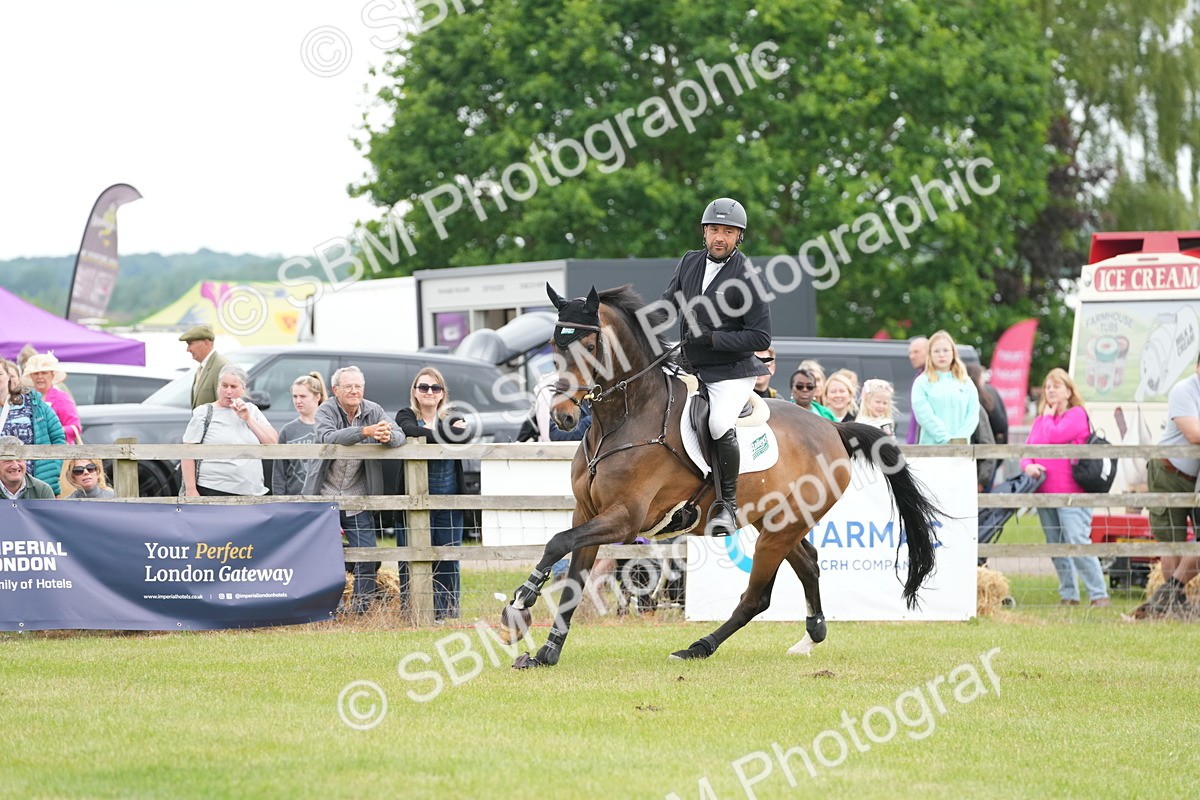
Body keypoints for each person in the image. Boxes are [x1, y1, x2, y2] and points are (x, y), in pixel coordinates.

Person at [660, 197, 771, 536]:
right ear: (704, 232)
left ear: (739, 237)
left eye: (728, 232)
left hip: (730, 372)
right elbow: (668, 304)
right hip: (689, 364)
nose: (719, 237)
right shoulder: (689, 261)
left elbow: (761, 336)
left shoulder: (749, 277)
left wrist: (713, 340)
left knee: (720, 423)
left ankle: (726, 503)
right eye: (714, 230)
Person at [302, 366, 404, 614]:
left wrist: (386, 436)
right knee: (325, 556)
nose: (354, 391)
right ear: (336, 390)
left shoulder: (374, 409)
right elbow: (327, 436)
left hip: (358, 496)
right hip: (325, 495)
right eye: (348, 386)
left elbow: (400, 436)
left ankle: (360, 611)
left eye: (358, 386)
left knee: (367, 555)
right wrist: (365, 432)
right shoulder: (326, 409)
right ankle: (329, 610)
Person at [1020, 368, 1110, 607]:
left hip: (1072, 493)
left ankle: (1098, 594)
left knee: (1077, 541)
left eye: (1056, 386)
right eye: (1048, 386)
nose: (1050, 390)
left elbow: (1056, 436)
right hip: (1044, 492)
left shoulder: (1076, 414)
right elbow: (1027, 450)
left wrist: (1048, 417)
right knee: (1056, 544)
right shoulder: (1039, 421)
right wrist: (1028, 466)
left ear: (1069, 392)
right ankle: (1069, 594)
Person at [395, 367, 470, 620]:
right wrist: (444, 435)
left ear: (442, 394)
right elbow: (408, 429)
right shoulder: (406, 414)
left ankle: (447, 613)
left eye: (435, 388)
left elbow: (462, 437)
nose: (429, 392)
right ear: (415, 392)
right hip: (412, 500)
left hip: (448, 499)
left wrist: (445, 434)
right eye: (423, 387)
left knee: (448, 557)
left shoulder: (452, 415)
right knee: (411, 556)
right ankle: (413, 612)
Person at [1131, 354, 1200, 618]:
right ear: (1197, 366)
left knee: (1189, 542)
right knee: (1173, 540)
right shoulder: (1184, 390)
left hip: (1193, 480)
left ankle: (1170, 598)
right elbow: (1194, 435)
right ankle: (1172, 604)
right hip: (1168, 472)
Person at [181, 365, 278, 497]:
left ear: (243, 389)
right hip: (213, 490)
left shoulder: (252, 410)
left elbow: (273, 443)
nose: (228, 391)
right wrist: (191, 489)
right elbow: (187, 452)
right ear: (218, 387)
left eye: (233, 387)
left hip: (251, 492)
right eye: (224, 386)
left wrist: (248, 418)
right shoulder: (204, 412)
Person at [1, 355, 66, 494]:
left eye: (0, 373)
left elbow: (58, 437)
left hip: (39, 483)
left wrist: (51, 469)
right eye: (36, 373)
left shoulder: (33, 403)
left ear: (8, 377)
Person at [910, 330, 980, 444]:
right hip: (931, 451)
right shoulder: (921, 382)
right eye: (936, 351)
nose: (941, 354)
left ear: (953, 352)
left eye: (946, 350)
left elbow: (973, 415)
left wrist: (959, 440)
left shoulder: (966, 382)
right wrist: (946, 440)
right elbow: (924, 415)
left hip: (962, 452)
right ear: (930, 354)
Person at [273, 372, 326, 496]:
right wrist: (279, 500)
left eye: (303, 396)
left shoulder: (328, 428)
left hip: (322, 502)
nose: (298, 401)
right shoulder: (288, 430)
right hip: (293, 499)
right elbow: (279, 472)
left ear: (317, 397)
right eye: (295, 396)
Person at [22, 352, 82, 444]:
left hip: (59, 450)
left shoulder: (61, 397)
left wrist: (55, 430)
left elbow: (75, 428)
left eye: (44, 373)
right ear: (31, 376)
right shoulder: (25, 399)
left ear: (52, 375)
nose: (40, 377)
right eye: (36, 373)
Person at [968, 363, 1008, 488]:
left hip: (972, 454)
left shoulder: (970, 398)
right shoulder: (989, 394)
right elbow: (1001, 424)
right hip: (989, 452)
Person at [180, 324, 231, 409]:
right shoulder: (202, 367)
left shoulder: (221, 366)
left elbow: (224, 408)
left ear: (206, 343)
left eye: (190, 344)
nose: (188, 349)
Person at [906, 336, 929, 444]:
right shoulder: (919, 375)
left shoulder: (933, 377)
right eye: (910, 353)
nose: (911, 356)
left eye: (916, 352)